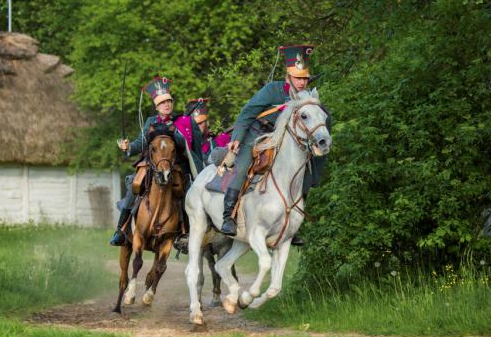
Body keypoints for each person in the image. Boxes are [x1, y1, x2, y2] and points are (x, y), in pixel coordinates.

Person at [220, 45, 329, 246]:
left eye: (305, 78)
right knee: (243, 166)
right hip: (258, 135)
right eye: (298, 78)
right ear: (288, 77)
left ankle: (292, 223)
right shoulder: (272, 91)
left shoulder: (308, 99)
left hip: (287, 142)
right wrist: (237, 137)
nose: (302, 82)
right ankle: (228, 216)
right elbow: (247, 112)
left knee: (303, 171)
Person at [109, 76, 204, 246]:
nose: (166, 105)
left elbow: (193, 147)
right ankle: (121, 229)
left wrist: (173, 133)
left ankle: (185, 234)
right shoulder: (150, 122)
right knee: (133, 184)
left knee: (189, 192)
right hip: (153, 167)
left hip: (178, 168)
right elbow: (141, 143)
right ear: (156, 106)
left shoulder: (183, 122)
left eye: (169, 101)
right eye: (162, 103)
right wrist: (128, 147)